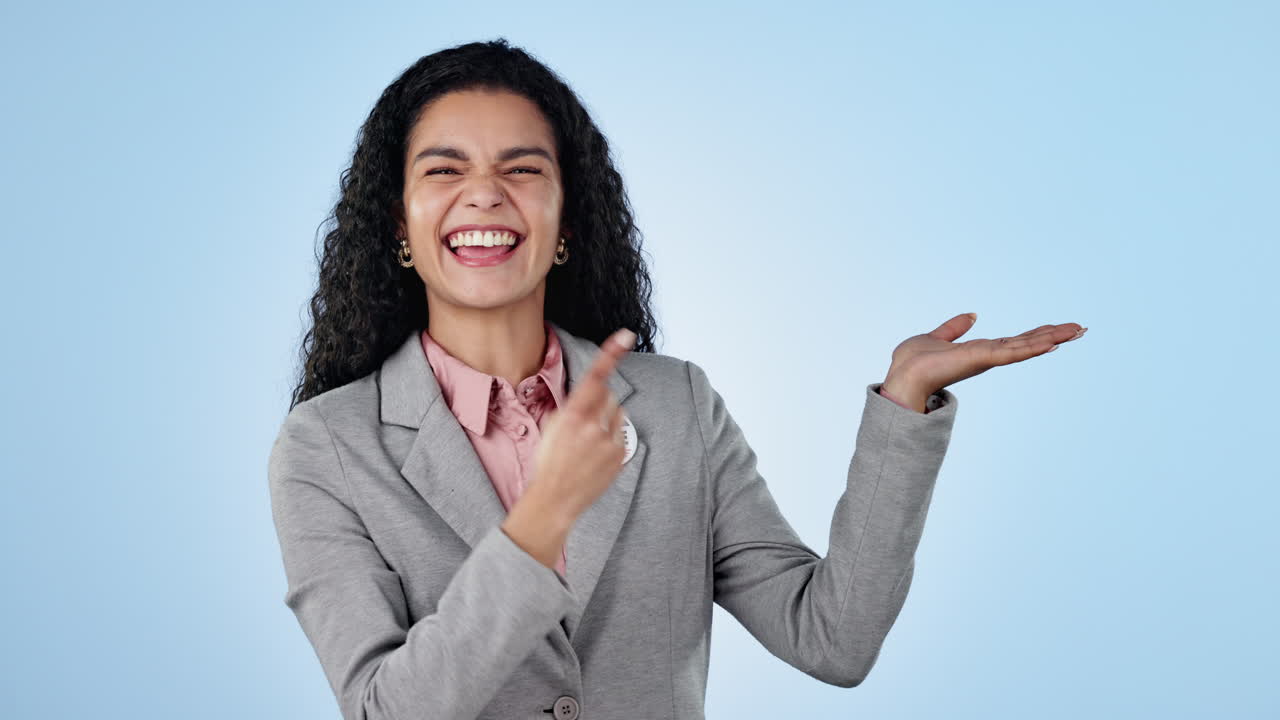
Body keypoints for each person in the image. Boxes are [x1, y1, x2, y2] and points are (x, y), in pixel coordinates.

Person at [267, 38, 1086, 720]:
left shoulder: (674, 403)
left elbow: (832, 640)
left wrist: (903, 405)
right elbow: (384, 711)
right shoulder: (327, 447)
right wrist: (543, 519)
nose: (484, 191)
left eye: (523, 169)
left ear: (563, 226)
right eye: (443, 170)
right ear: (401, 228)